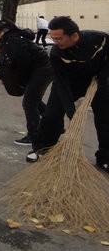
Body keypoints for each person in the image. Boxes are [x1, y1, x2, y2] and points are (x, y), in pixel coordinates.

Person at [26, 16, 109, 173]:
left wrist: (103, 75)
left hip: (97, 81)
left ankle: (105, 157)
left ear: (74, 35)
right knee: (51, 116)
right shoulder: (56, 53)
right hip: (68, 83)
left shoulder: (100, 39)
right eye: (53, 38)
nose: (55, 42)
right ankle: (42, 149)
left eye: (59, 38)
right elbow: (61, 83)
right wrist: (71, 110)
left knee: (105, 118)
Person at [0, 19, 53, 145]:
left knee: (29, 103)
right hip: (39, 69)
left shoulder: (12, 40)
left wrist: (22, 82)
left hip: (42, 69)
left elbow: (23, 63)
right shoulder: (7, 38)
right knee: (34, 100)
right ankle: (55, 125)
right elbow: (10, 62)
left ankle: (34, 136)